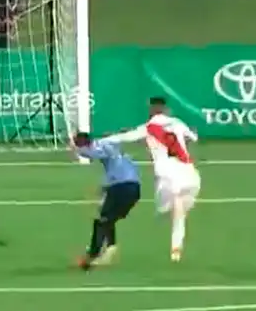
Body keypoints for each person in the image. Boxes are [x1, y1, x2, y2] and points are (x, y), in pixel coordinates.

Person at [99, 97, 200, 262]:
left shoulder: (148, 128)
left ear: (153, 109)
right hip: (188, 173)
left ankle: (175, 243)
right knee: (179, 210)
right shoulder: (177, 123)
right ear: (166, 109)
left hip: (167, 176)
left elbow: (126, 137)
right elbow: (192, 137)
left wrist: (103, 140)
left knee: (167, 210)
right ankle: (176, 247)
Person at [72, 132, 142, 271]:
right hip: (132, 188)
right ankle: (110, 250)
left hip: (122, 187)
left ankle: (92, 255)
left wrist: (77, 150)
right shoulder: (117, 149)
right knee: (107, 218)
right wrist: (105, 187)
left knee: (102, 220)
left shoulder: (102, 146)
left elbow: (92, 154)